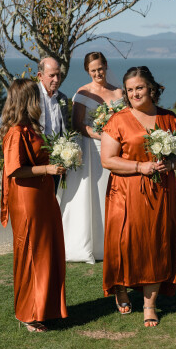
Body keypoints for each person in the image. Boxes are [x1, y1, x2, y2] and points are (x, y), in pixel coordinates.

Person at [100, 66, 176, 327]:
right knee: (124, 244)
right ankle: (120, 288)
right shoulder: (118, 120)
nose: (134, 94)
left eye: (139, 88)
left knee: (157, 244)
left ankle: (149, 305)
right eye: (130, 90)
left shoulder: (169, 119)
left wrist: (171, 164)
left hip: (163, 192)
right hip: (126, 193)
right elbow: (108, 160)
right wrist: (140, 167)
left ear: (151, 88)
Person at [0, 78, 68, 333]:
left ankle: (45, 308)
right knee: (31, 253)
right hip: (27, 200)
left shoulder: (31, 127)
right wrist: (48, 169)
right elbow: (14, 169)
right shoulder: (16, 132)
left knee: (46, 251)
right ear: (28, 100)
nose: (40, 100)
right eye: (36, 96)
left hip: (43, 195)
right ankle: (28, 314)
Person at [57, 52, 123, 264]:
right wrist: (102, 135)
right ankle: (91, 245)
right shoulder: (82, 92)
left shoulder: (119, 92)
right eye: (93, 70)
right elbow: (77, 125)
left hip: (116, 151)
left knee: (112, 195)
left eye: (100, 68)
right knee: (91, 196)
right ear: (88, 71)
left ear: (106, 66)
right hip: (91, 151)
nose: (98, 73)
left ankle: (115, 242)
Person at [37, 57, 70, 191]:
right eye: (52, 75)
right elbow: (4, 122)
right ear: (40, 76)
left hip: (56, 162)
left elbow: (64, 130)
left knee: (52, 198)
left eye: (58, 75)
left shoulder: (62, 98)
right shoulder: (30, 95)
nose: (56, 79)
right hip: (35, 162)